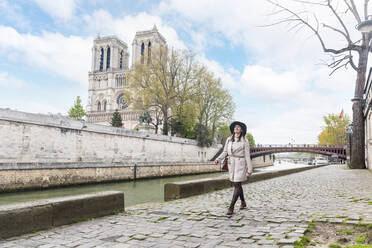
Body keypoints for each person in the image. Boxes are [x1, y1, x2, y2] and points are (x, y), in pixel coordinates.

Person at [214, 121, 253, 215]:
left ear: (241, 130)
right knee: (238, 185)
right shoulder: (229, 139)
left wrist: (250, 169)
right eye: (235, 127)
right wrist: (218, 159)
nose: (236, 128)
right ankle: (243, 202)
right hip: (231, 164)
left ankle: (231, 207)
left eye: (238, 127)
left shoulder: (245, 141)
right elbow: (225, 152)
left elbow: (247, 156)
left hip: (241, 164)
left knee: (236, 184)